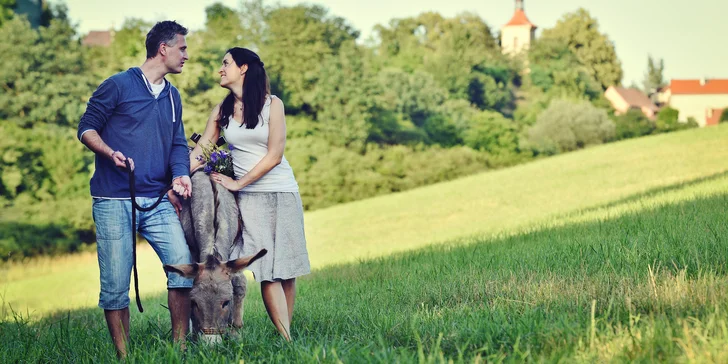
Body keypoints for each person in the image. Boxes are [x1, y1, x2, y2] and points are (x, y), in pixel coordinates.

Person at [77, 20, 193, 357]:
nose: (186, 55)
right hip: (114, 199)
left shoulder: (173, 97)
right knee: (115, 287)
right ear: (163, 49)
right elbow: (86, 128)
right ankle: (124, 356)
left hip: (157, 199)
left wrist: (180, 175)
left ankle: (180, 348)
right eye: (182, 48)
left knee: (182, 268)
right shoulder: (117, 85)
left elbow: (177, 144)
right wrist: (108, 152)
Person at [189, 47, 310, 341]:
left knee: (287, 267)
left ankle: (286, 336)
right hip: (250, 200)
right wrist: (178, 177)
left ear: (243, 68)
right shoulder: (222, 111)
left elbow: (275, 155)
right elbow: (202, 149)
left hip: (282, 191)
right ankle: (287, 340)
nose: (220, 69)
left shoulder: (273, 105)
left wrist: (238, 183)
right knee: (266, 270)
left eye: (225, 63)